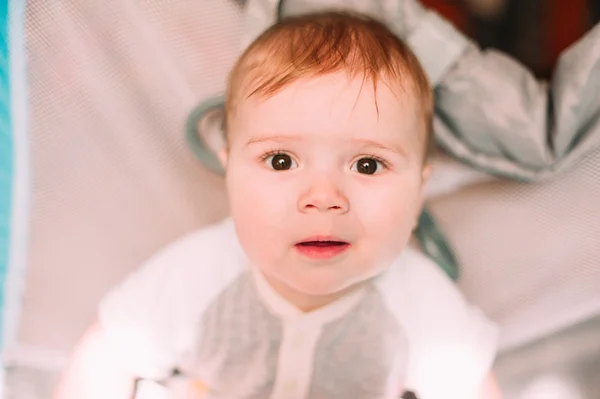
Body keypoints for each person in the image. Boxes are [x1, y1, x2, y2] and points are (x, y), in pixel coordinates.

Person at [54, 11, 502, 399]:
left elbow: (471, 384)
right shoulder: (200, 273)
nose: (324, 197)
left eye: (367, 165)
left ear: (419, 189)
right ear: (229, 172)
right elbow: (108, 352)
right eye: (281, 160)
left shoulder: (421, 303)